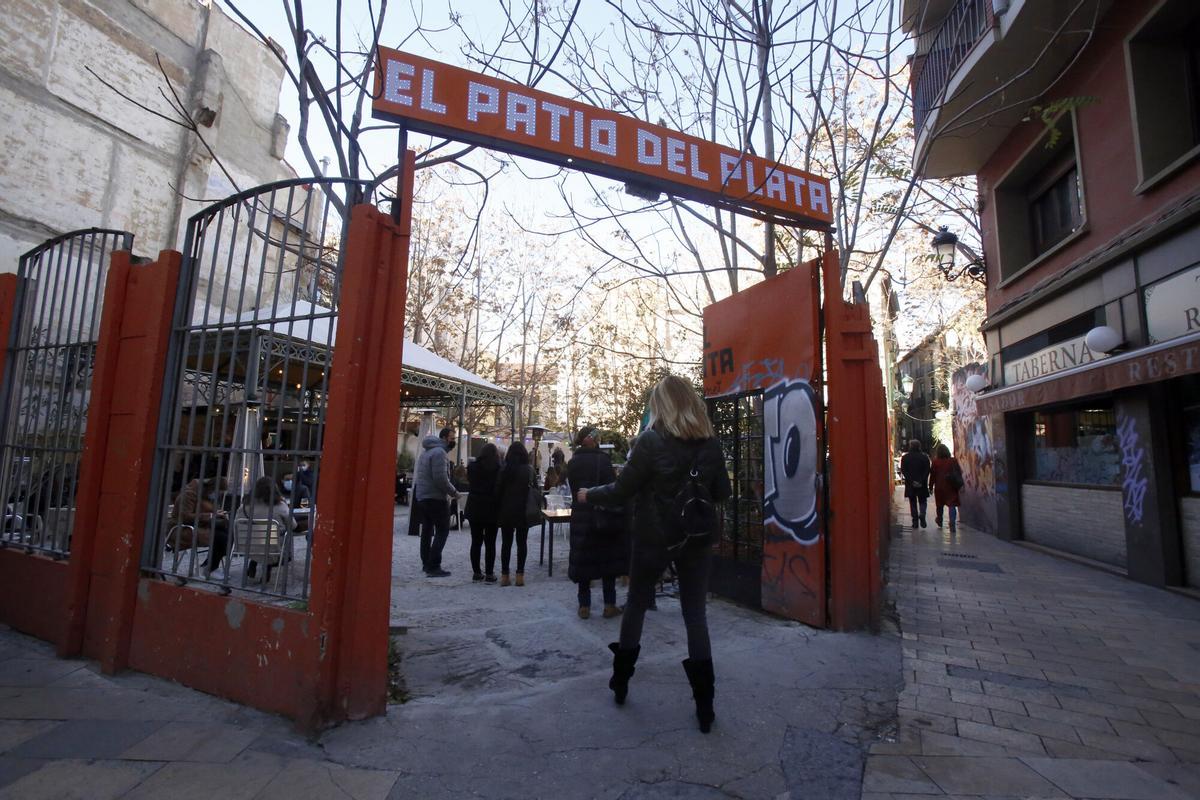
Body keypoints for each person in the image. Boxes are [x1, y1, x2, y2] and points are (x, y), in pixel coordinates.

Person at [578, 375, 732, 733]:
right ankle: (705, 706)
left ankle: (621, 681)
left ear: (661, 405)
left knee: (636, 606)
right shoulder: (710, 443)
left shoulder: (650, 441)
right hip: (695, 539)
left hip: (653, 539)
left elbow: (621, 490)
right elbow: (722, 493)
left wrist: (589, 495)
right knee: (695, 615)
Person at [567, 426, 627, 620]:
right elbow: (612, 490)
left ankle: (584, 606)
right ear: (593, 439)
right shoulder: (603, 460)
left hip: (580, 517)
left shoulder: (573, 462)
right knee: (607, 561)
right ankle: (609, 605)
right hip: (603, 516)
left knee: (584, 561)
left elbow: (573, 489)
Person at [415, 426, 459, 578]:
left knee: (427, 531)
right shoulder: (440, 453)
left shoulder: (426, 452)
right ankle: (433, 566)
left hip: (423, 496)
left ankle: (426, 563)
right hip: (436, 498)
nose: (454, 441)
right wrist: (454, 492)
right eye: (452, 438)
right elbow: (440, 479)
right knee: (442, 531)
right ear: (445, 438)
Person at [236, 475, 297, 580]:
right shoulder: (280, 506)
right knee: (276, 540)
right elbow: (293, 525)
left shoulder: (244, 506)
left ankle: (254, 562)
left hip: (247, 549)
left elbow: (237, 523)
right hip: (273, 551)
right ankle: (266, 566)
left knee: (260, 537)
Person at [168, 476, 231, 573]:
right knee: (222, 538)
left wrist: (217, 513)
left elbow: (204, 511)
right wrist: (210, 515)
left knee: (227, 532)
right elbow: (185, 516)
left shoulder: (205, 495)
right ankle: (210, 568)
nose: (217, 495)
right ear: (213, 488)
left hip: (198, 526)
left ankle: (210, 565)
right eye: (218, 492)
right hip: (182, 529)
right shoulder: (189, 494)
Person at [495, 441, 535, 587]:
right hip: (523, 509)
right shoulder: (528, 470)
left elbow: (497, 491)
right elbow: (535, 488)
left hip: (506, 510)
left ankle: (505, 576)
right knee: (522, 543)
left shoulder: (504, 469)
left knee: (506, 543)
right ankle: (520, 575)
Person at [465, 445, 501, 582]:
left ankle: (476, 572)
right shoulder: (498, 468)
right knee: (490, 543)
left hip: (475, 506)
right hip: (492, 508)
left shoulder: (472, 467)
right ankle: (489, 573)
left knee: (476, 541)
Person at [929, 443, 962, 532]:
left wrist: (930, 486)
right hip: (951, 486)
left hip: (939, 487)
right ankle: (952, 522)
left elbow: (932, 475)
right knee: (952, 505)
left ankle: (939, 520)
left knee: (939, 505)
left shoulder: (935, 462)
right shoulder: (953, 461)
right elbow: (958, 472)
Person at [900, 439, 932, 529]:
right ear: (919, 446)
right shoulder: (924, 457)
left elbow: (904, 470)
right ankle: (922, 514)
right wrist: (921, 480)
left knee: (912, 502)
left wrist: (911, 481)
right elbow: (927, 470)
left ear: (910, 446)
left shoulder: (905, 457)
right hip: (922, 483)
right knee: (923, 500)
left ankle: (915, 522)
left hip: (910, 483)